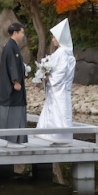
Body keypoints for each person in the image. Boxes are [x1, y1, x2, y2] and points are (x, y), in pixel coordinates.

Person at [36, 18, 76, 146]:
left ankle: (60, 137)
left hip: (59, 87)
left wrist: (49, 77)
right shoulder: (64, 52)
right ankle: (56, 136)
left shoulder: (63, 53)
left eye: (54, 37)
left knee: (59, 110)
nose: (52, 40)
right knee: (56, 110)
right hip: (58, 88)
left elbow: (61, 72)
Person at [0, 22, 28, 148]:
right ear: (15, 33)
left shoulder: (12, 46)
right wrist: (16, 81)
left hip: (14, 85)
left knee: (16, 110)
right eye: (22, 32)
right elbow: (12, 65)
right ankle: (12, 141)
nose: (23, 35)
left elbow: (16, 64)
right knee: (14, 111)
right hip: (13, 87)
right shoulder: (10, 47)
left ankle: (15, 140)